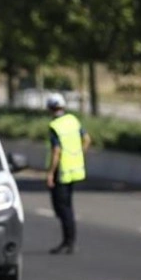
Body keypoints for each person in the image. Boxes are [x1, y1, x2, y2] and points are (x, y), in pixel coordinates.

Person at [45, 93, 91, 254]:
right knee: (68, 207)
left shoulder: (55, 126)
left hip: (62, 172)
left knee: (62, 208)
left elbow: (56, 151)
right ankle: (68, 241)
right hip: (74, 170)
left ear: (50, 108)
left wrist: (50, 173)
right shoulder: (72, 120)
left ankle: (68, 241)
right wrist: (78, 155)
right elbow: (87, 139)